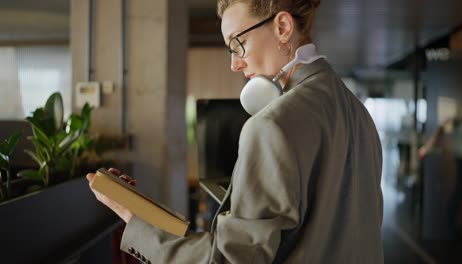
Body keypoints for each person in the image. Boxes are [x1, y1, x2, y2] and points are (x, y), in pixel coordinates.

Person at [86, 0, 384, 263]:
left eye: (237, 44)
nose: (234, 64)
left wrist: (138, 221)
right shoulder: (359, 114)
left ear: (282, 26)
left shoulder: (271, 125)